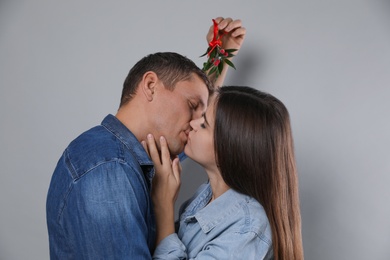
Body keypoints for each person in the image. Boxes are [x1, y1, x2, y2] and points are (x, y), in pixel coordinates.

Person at [46, 17, 245, 259]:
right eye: (192, 106)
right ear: (151, 86)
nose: (196, 123)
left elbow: (194, 141)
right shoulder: (109, 171)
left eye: (202, 117)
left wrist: (218, 56)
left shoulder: (130, 155)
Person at [145, 86, 304, 259]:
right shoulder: (207, 194)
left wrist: (164, 207)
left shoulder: (247, 227)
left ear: (231, 147)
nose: (192, 123)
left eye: (204, 124)